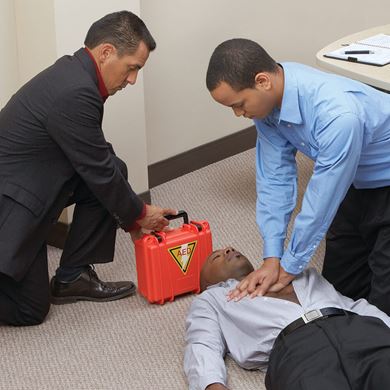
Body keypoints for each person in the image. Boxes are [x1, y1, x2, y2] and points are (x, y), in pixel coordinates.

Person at [0, 11, 176, 326]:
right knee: (31, 309)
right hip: (11, 204)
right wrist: (139, 214)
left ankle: (71, 277)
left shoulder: (76, 77)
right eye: (132, 68)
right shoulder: (75, 92)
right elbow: (97, 170)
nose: (133, 79)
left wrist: (133, 215)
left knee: (115, 169)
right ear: (106, 52)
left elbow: (100, 159)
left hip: (30, 186)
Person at [205, 39, 390, 314]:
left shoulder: (338, 115)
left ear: (263, 81)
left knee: (382, 308)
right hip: (354, 180)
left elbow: (322, 197)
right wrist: (272, 258)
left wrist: (290, 265)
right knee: (335, 294)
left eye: (239, 104)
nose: (238, 114)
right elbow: (274, 181)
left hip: (382, 180)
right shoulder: (268, 105)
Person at [184, 247, 390, 390]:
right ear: (207, 283)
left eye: (228, 248)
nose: (228, 250)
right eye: (216, 256)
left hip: (357, 329)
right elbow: (202, 343)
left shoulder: (299, 273)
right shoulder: (212, 298)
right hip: (298, 354)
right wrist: (213, 385)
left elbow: (353, 306)